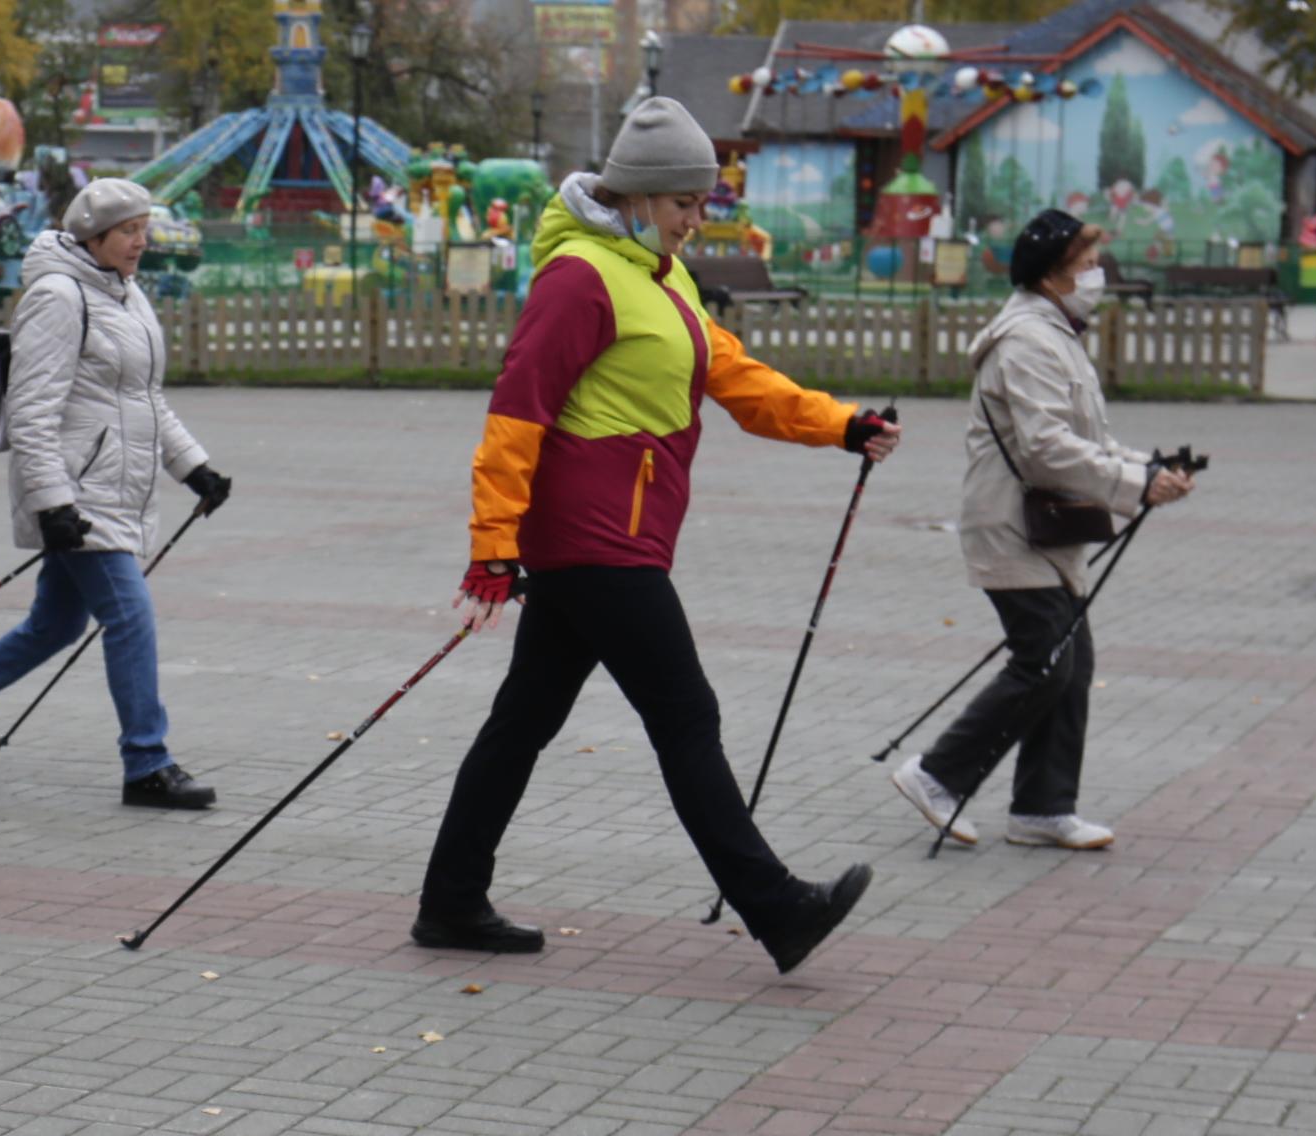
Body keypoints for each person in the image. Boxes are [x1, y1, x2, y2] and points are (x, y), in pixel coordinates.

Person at [412, 96, 893, 973]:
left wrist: (843, 424)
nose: (696, 219)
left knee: (523, 721)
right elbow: (516, 415)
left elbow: (736, 375)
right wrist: (491, 545)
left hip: (610, 539)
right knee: (686, 715)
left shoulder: (658, 275)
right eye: (685, 204)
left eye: (703, 204)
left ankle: (449, 901)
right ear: (637, 196)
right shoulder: (580, 279)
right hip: (598, 543)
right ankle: (777, 908)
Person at [0, 177, 231, 811]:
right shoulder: (58, 297)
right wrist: (53, 504)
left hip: (114, 489)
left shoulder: (127, 295)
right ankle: (147, 761)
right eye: (129, 230)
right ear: (95, 236)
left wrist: (194, 468)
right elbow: (31, 411)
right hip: (80, 495)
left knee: (56, 622)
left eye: (144, 228)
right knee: (129, 617)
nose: (142, 240)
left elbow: (144, 397)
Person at [892, 210, 1193, 853]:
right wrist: (1136, 486)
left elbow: (1091, 440)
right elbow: (1046, 450)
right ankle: (937, 774)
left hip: (1044, 528)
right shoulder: (1027, 340)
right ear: (1050, 276)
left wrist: (1150, 468)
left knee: (1071, 664)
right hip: (1010, 526)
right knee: (1045, 663)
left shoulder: (1057, 334)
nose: (1096, 276)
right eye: (1085, 266)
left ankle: (1042, 808)